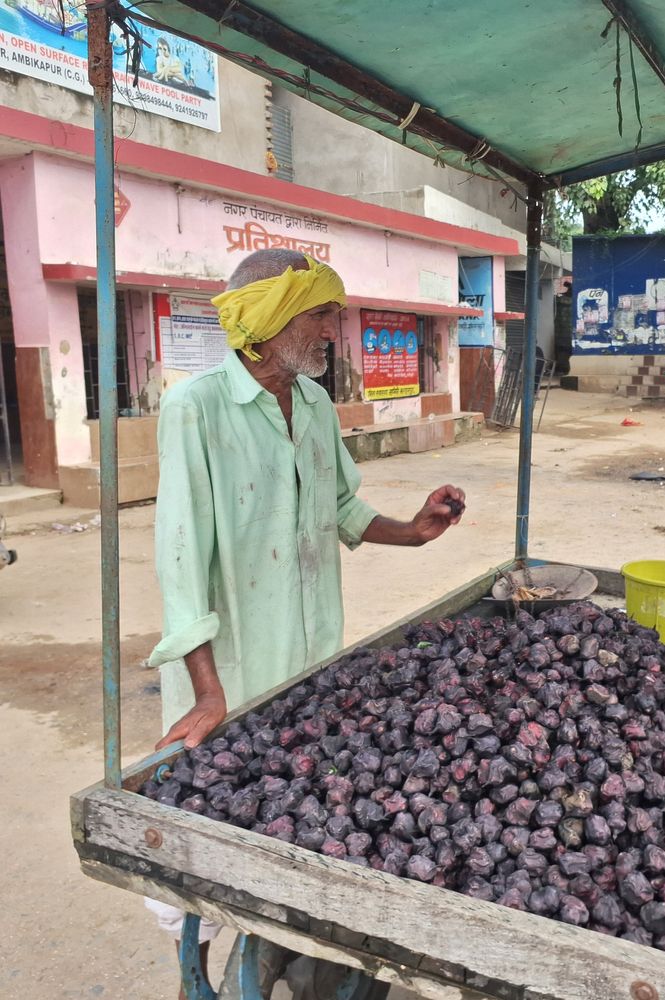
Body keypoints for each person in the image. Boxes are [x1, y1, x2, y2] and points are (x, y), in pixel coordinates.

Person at [146, 249, 464, 999]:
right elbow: (182, 559)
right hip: (233, 680)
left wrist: (415, 530)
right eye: (322, 313)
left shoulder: (316, 406)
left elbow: (341, 510)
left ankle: (306, 955)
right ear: (266, 321)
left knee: (304, 831)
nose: (335, 329)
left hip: (314, 668)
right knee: (231, 850)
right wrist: (207, 693)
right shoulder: (197, 409)